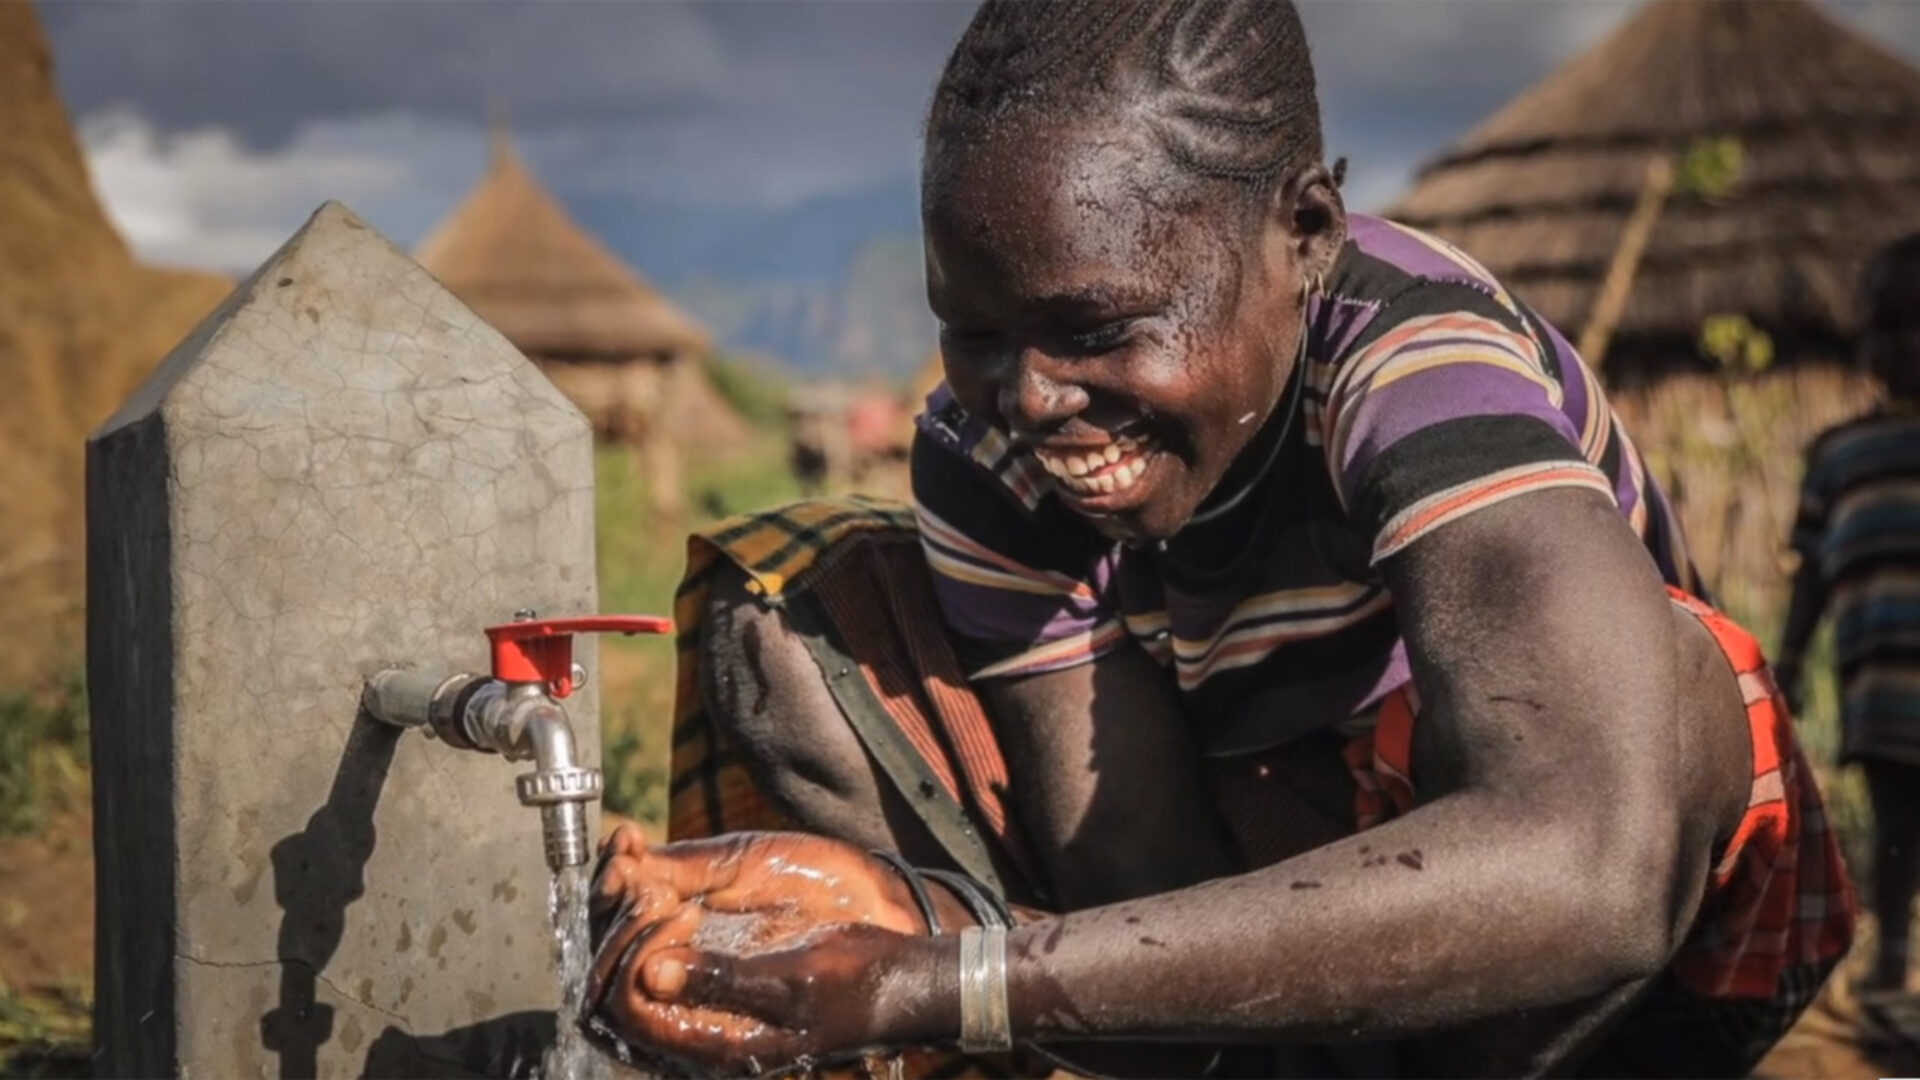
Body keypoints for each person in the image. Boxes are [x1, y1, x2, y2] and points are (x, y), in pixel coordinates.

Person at [585, 2, 1856, 1076]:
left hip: (1601, 973)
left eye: (1097, 329)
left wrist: (947, 981)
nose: (1032, 399)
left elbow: (1593, 869)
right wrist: (913, 927)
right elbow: (1135, 869)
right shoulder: (986, 452)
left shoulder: (1419, 360)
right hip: (1279, 922)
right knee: (805, 605)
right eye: (974, 334)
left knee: (1677, 684)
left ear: (1304, 237)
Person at [1776, 233, 1920, 1000]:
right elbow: (1811, 574)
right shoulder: (1838, 455)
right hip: (1883, 690)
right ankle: (1893, 958)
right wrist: (1790, 665)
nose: (1904, 346)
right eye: (1887, 327)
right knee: (1896, 828)